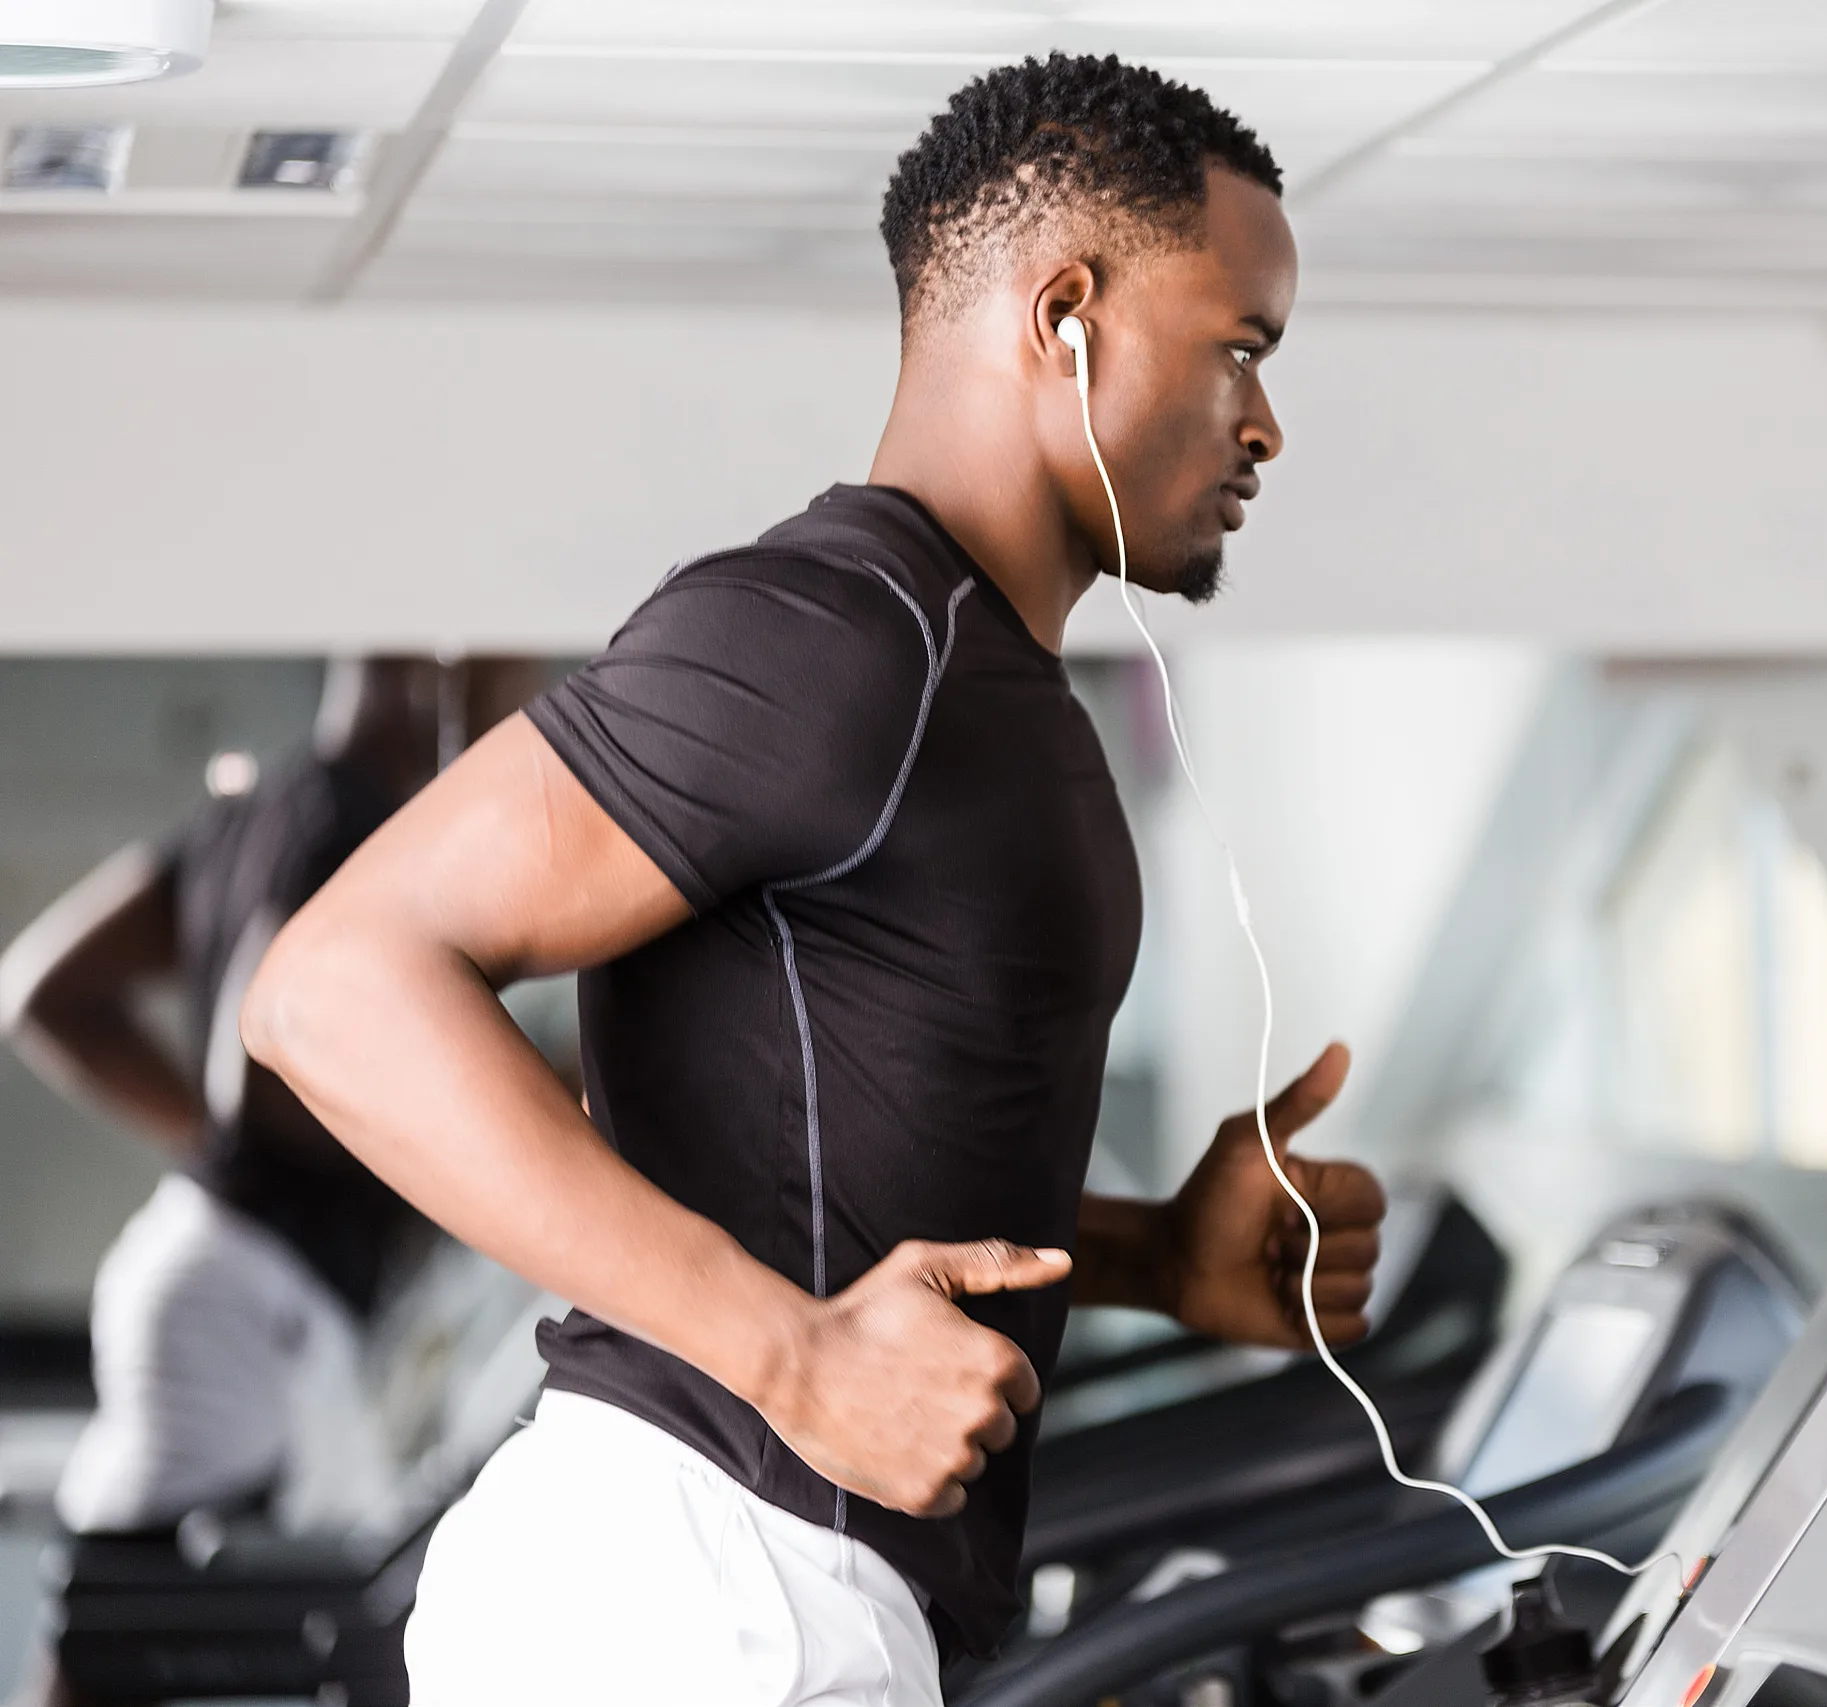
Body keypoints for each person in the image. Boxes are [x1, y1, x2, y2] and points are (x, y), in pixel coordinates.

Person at [242, 52, 1385, 1707]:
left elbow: (822, 1137)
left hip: (748, 1590)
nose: (1266, 422)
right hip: (708, 1593)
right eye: (1239, 351)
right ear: (1065, 313)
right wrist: (793, 1355)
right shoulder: (842, 637)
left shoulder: (972, 681)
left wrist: (1151, 1260)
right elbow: (333, 988)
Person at [0, 655, 542, 1707]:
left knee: (130, 1616)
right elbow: (271, 1046)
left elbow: (46, 996)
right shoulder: (362, 824)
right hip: (243, 1294)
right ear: (435, 668)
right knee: (125, 1626)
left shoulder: (262, 811)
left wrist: (216, 1150)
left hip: (213, 1260)